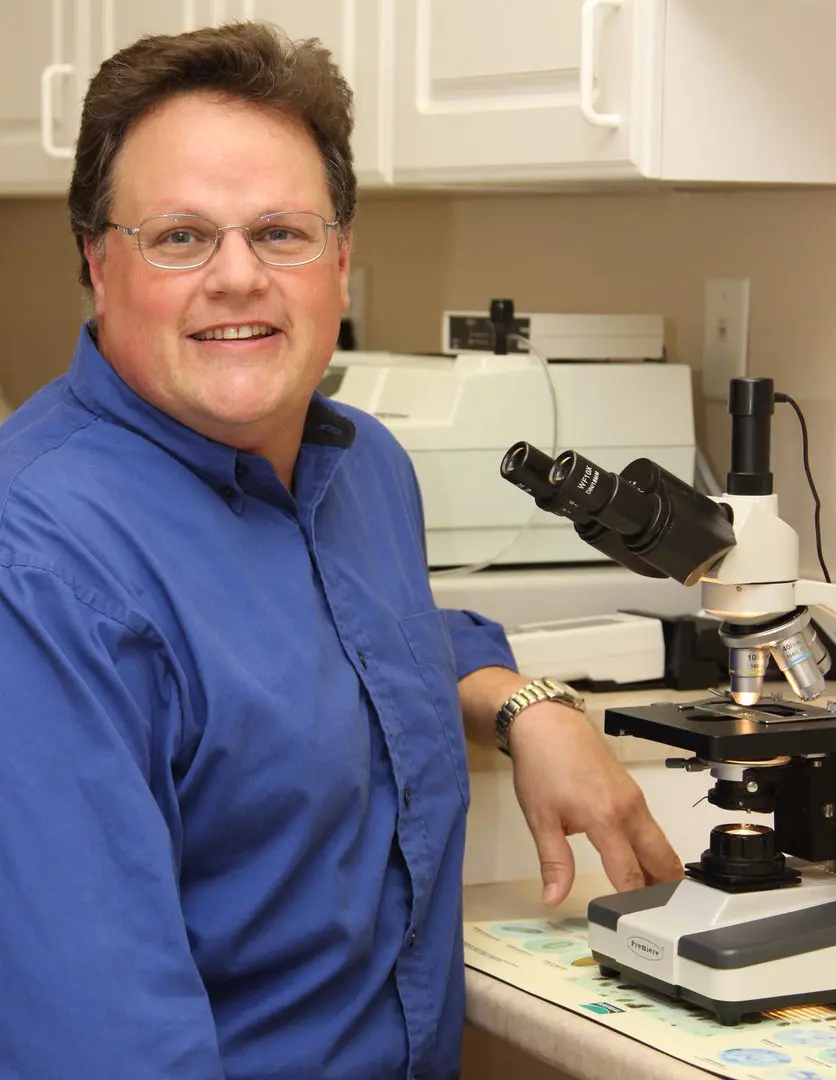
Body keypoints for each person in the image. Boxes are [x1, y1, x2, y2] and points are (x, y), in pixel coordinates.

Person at [0, 21, 682, 1080]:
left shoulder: (360, 466)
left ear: (342, 264)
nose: (237, 277)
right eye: (179, 236)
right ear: (98, 263)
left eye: (280, 232)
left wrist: (522, 701)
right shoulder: (38, 568)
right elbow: (105, 1049)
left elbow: (361, 638)